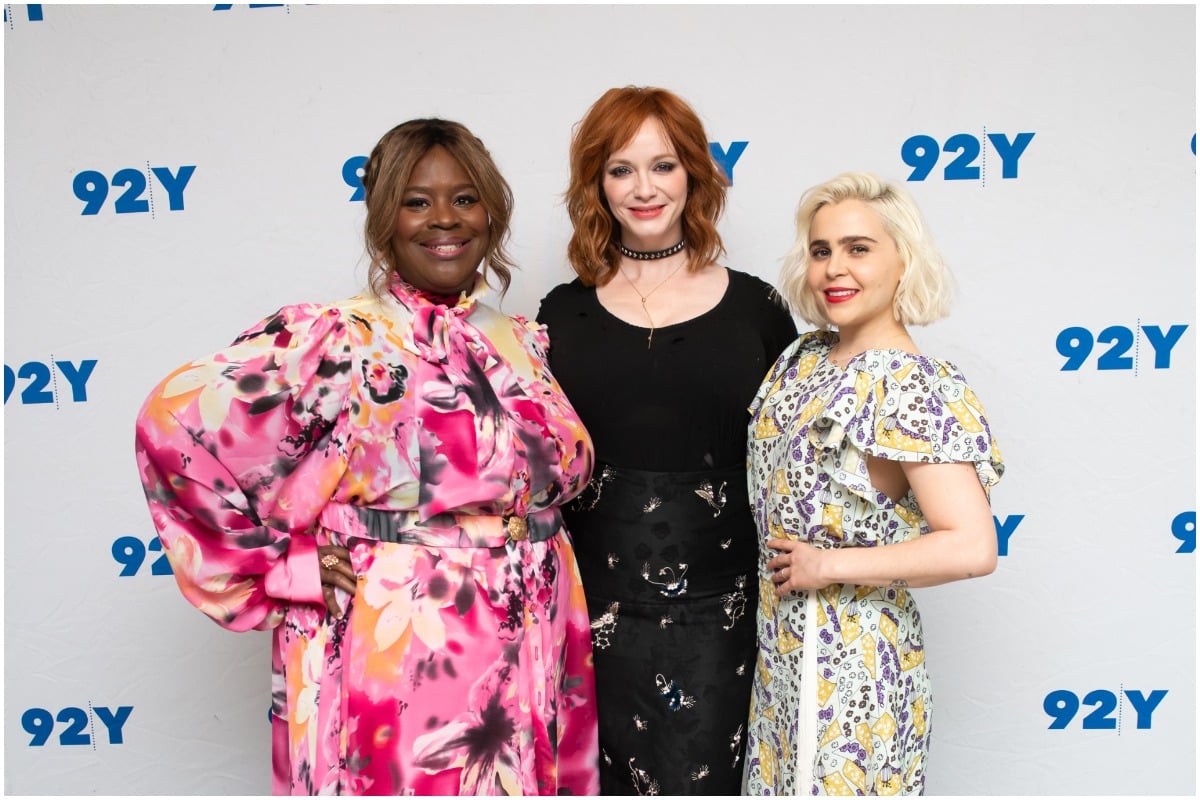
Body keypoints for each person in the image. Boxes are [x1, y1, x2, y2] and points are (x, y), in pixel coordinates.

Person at [134, 118, 600, 796]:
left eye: (465, 198)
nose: (444, 218)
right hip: (409, 643)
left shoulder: (520, 340)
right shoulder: (340, 339)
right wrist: (282, 565)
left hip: (538, 632)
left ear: (492, 212)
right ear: (384, 218)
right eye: (417, 201)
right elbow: (174, 426)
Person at [536, 86, 798, 795]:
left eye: (663, 166)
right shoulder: (560, 314)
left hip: (723, 606)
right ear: (597, 183)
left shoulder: (758, 309)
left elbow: (796, 461)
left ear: (695, 175)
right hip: (590, 604)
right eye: (621, 169)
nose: (643, 189)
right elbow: (528, 465)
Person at [744, 171, 1004, 795]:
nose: (836, 268)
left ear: (902, 262)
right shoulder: (800, 359)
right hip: (779, 655)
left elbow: (972, 546)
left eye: (859, 248)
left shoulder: (912, 386)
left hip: (855, 664)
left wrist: (829, 565)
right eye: (821, 250)